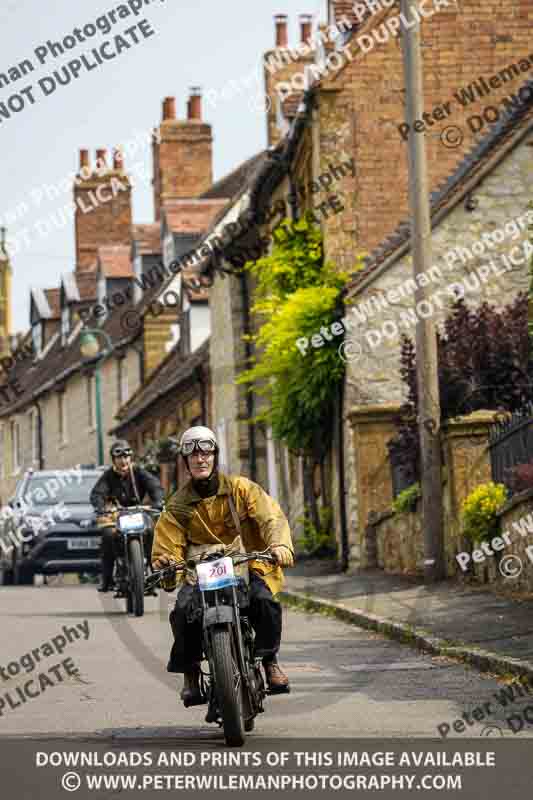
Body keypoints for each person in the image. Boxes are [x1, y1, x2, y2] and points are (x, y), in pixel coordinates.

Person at [152, 425, 295, 706]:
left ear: (215, 455)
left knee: (264, 601)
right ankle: (191, 674)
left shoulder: (241, 489)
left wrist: (279, 545)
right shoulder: (177, 506)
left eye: (206, 452)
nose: (200, 459)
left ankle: (269, 661)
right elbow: (166, 547)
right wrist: (165, 563)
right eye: (193, 455)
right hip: (200, 573)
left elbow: (271, 518)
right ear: (185, 461)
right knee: (182, 612)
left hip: (245, 563)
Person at [90, 440, 164, 592]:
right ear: (113, 460)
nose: (123, 461)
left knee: (152, 531)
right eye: (119, 458)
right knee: (108, 535)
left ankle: (156, 572)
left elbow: (154, 486)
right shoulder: (108, 476)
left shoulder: (139, 472)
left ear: (130, 458)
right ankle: (107, 579)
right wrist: (101, 507)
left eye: (126, 457)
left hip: (139, 512)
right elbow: (97, 493)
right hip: (115, 515)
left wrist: (158, 501)